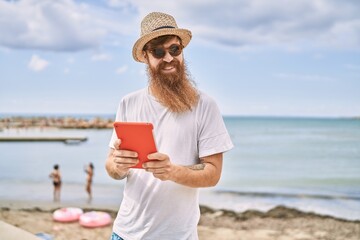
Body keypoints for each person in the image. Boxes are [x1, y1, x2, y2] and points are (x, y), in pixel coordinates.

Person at [106, 12, 233, 240]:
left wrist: (172, 171)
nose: (168, 58)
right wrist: (119, 166)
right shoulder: (128, 102)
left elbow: (213, 174)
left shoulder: (205, 106)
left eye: (174, 49)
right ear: (145, 56)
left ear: (182, 50)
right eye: (158, 51)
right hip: (126, 233)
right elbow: (111, 166)